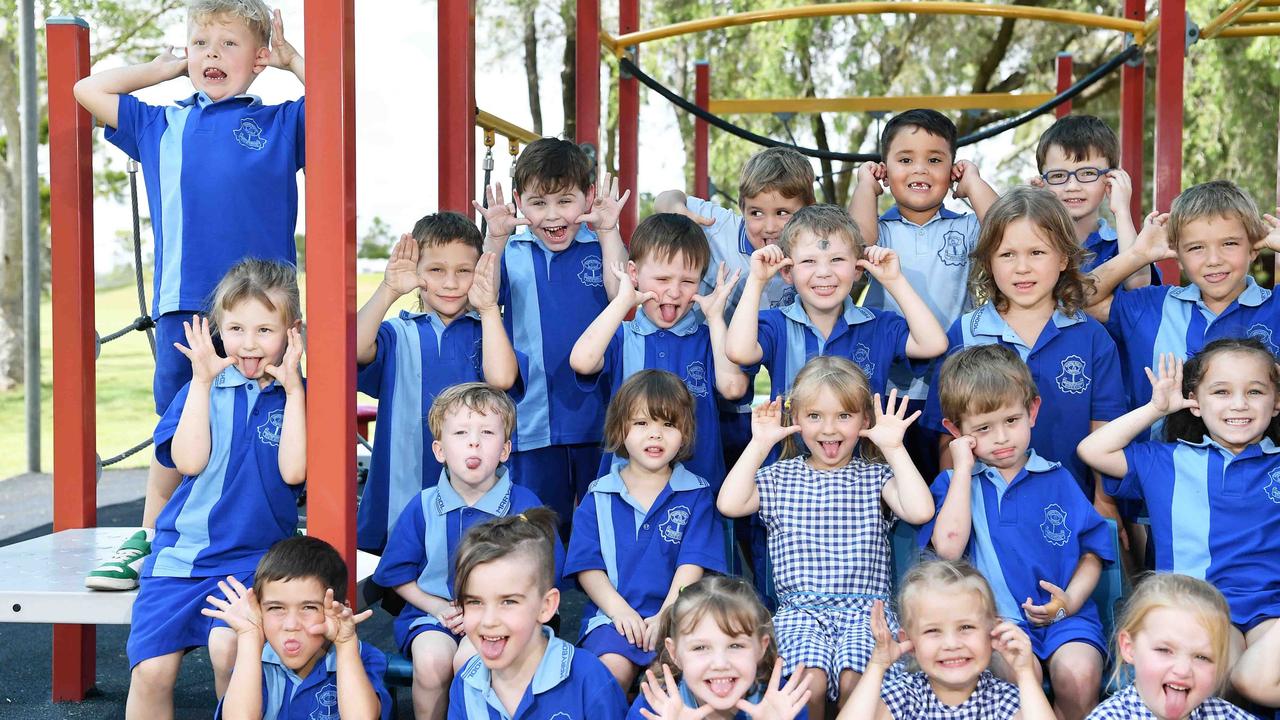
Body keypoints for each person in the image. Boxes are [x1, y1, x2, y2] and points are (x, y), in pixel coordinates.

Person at [74, 0, 307, 591]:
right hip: (188, 304)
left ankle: (272, 536)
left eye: (229, 45)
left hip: (266, 313)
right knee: (178, 428)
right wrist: (162, 69)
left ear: (257, 59)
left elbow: (340, 108)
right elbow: (87, 88)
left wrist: (291, 59)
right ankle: (152, 538)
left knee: (269, 418)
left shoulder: (281, 122)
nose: (212, 54)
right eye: (201, 43)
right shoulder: (162, 124)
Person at [124, 258, 306, 719]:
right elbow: (188, 461)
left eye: (266, 330)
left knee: (231, 649)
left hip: (253, 561)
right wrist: (202, 381)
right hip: (182, 557)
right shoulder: (200, 390)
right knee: (151, 672)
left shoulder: (297, 396)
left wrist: (294, 392)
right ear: (217, 329)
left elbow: (294, 472)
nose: (248, 344)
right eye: (236, 328)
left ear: (292, 332)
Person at [717, 355, 935, 716]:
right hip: (800, 611)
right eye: (814, 416)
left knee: (858, 681)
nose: (828, 429)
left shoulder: (875, 476)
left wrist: (894, 448)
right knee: (807, 684)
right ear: (796, 420)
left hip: (868, 611)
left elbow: (920, 510)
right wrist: (759, 445)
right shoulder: (780, 476)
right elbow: (730, 503)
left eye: (844, 416)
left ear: (865, 420)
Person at [1077, 340, 1280, 707]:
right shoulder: (1167, 461)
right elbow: (1092, 450)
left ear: (1276, 402)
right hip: (1201, 611)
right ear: (1195, 402)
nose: (1239, 404)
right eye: (1221, 392)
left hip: (1273, 613)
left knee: (1255, 679)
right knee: (1228, 679)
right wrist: (1156, 409)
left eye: (1255, 391)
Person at [925, 344, 1114, 719]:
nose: (1001, 438)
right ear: (955, 430)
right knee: (1009, 680)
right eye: (983, 428)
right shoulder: (954, 486)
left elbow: (1093, 552)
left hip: (1066, 618)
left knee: (1079, 675)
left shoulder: (1058, 477)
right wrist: (962, 468)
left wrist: (1069, 603)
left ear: (1032, 411)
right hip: (993, 624)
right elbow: (948, 549)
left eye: (1011, 421)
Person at [919, 187, 1125, 504]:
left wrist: (1104, 503)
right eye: (1007, 254)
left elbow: (1105, 431)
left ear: (1063, 259)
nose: (1022, 267)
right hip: (987, 511)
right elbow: (950, 440)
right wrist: (955, 506)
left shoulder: (1092, 337)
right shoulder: (965, 334)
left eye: (1037, 252)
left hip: (1071, 510)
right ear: (988, 262)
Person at [371, 384, 560, 720]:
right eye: (460, 432)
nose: (474, 441)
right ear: (440, 449)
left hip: (502, 617)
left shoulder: (524, 505)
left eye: (487, 432)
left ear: (504, 450)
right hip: (435, 615)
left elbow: (546, 576)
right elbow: (397, 574)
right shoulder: (424, 506)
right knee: (431, 662)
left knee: (472, 660)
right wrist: (439, 607)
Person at [472, 140, 630, 533]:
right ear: (518, 202)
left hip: (599, 412)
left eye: (566, 201)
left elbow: (620, 294)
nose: (553, 215)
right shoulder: (513, 250)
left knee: (605, 519)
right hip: (534, 414)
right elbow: (480, 296)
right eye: (538, 203)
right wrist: (494, 237)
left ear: (589, 197)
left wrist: (609, 230)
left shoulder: (600, 246)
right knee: (538, 525)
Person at [355, 213, 520, 551]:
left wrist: (488, 309)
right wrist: (388, 290)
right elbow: (353, 348)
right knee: (397, 571)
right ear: (416, 273)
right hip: (399, 491)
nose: (450, 283)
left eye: (464, 271)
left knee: (471, 559)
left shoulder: (487, 332)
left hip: (473, 494)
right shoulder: (398, 332)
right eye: (436, 270)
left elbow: (502, 378)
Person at [849, 109, 999, 479]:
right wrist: (865, 187)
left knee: (944, 473)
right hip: (886, 384)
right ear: (884, 170)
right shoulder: (880, 230)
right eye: (904, 160)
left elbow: (1007, 227)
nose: (919, 169)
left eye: (934, 160)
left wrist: (974, 183)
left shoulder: (964, 229)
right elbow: (856, 244)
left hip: (950, 381)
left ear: (952, 171)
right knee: (886, 478)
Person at [565, 370, 728, 689]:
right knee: (609, 674)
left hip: (682, 616)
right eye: (641, 423)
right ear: (620, 428)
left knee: (666, 680)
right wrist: (620, 612)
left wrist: (667, 614)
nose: (655, 435)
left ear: (685, 432)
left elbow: (691, 565)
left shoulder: (695, 493)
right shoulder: (599, 495)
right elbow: (588, 567)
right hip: (613, 616)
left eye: (668, 424)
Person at [570, 212, 750, 488]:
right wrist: (622, 302)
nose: (675, 292)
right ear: (634, 274)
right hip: (626, 490)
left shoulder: (708, 338)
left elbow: (733, 389)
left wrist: (715, 318)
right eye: (662, 279)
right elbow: (582, 362)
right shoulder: (623, 336)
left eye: (688, 282)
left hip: (699, 488)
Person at [1084, 180, 1280, 432]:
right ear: (1176, 255)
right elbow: (1073, 301)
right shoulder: (1152, 307)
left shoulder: (1275, 306)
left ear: (1254, 248)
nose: (1213, 260)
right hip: (1157, 465)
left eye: (1229, 243)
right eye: (1196, 247)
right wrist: (1137, 255)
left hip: (1262, 469)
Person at [724, 204, 948, 402]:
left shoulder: (879, 325)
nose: (824, 272)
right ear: (787, 271)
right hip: (790, 450)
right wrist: (756, 280)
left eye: (837, 260)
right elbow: (738, 352)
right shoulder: (776, 324)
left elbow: (933, 344)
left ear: (858, 268)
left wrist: (895, 280)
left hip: (862, 451)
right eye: (809, 261)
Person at [448, 509, 628, 719]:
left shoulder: (588, 678)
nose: (488, 621)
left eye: (508, 601)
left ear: (546, 606)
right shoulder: (466, 683)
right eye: (475, 602)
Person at [838, 559, 1055, 720]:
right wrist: (877, 666)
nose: (951, 644)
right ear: (910, 642)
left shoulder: (1000, 698)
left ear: (993, 632)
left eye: (966, 627)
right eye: (933, 631)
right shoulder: (907, 694)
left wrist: (1025, 673)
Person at [204, 536, 391, 720]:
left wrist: (345, 643)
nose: (291, 625)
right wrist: (248, 636)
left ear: (339, 609)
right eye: (276, 608)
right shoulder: (255, 660)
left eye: (309, 607)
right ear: (260, 611)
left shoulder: (361, 657)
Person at [629, 576, 811, 719]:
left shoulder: (781, 703)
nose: (720, 663)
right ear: (674, 653)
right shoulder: (656, 706)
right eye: (700, 648)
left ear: (761, 648)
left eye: (735, 645)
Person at [1086, 573, 1255, 719]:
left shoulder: (1224, 714)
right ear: (1129, 647)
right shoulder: (1108, 716)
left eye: (1202, 657)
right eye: (1164, 650)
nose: (1182, 670)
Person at [1030, 114, 1154, 285]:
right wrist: (1030, 207)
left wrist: (1122, 212)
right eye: (1058, 175)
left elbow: (1138, 288)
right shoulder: (1031, 241)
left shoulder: (1121, 245)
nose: (1072, 186)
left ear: (1111, 177)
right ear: (1042, 182)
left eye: (1088, 173)